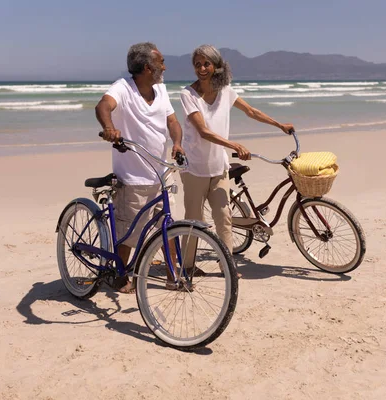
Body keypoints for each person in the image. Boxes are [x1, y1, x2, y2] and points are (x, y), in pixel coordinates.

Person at [179, 44, 294, 275]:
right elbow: (202, 131)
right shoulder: (187, 95)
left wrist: (279, 125)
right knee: (193, 220)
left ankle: (227, 265)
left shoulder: (226, 90)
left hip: (218, 167)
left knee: (224, 218)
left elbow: (251, 111)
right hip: (194, 169)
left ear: (216, 66)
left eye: (206, 63)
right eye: (198, 64)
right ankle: (188, 267)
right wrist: (235, 146)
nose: (202, 68)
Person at [96, 42, 184, 293]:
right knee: (128, 233)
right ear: (147, 67)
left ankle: (172, 274)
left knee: (169, 225)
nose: (165, 67)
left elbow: (173, 121)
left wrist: (177, 143)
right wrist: (109, 128)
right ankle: (121, 275)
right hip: (133, 176)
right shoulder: (123, 88)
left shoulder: (161, 90)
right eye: (161, 62)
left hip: (162, 173)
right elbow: (103, 105)